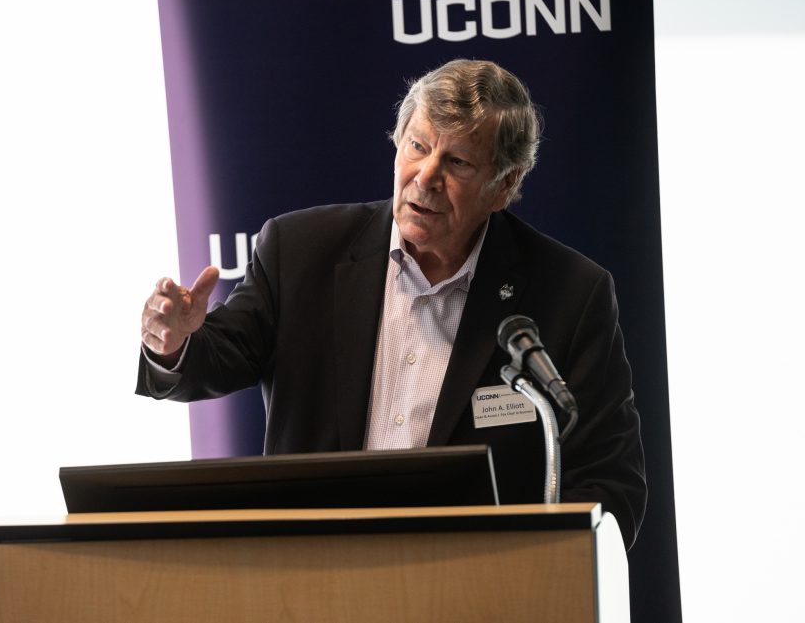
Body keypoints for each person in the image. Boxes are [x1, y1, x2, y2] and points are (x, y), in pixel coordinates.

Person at [137, 59, 647, 549]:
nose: (426, 176)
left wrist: (548, 574)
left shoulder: (568, 295)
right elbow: (220, 356)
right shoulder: (300, 251)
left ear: (504, 186)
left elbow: (609, 477)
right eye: (417, 146)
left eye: (458, 162)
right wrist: (175, 343)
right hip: (314, 579)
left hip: (478, 590)